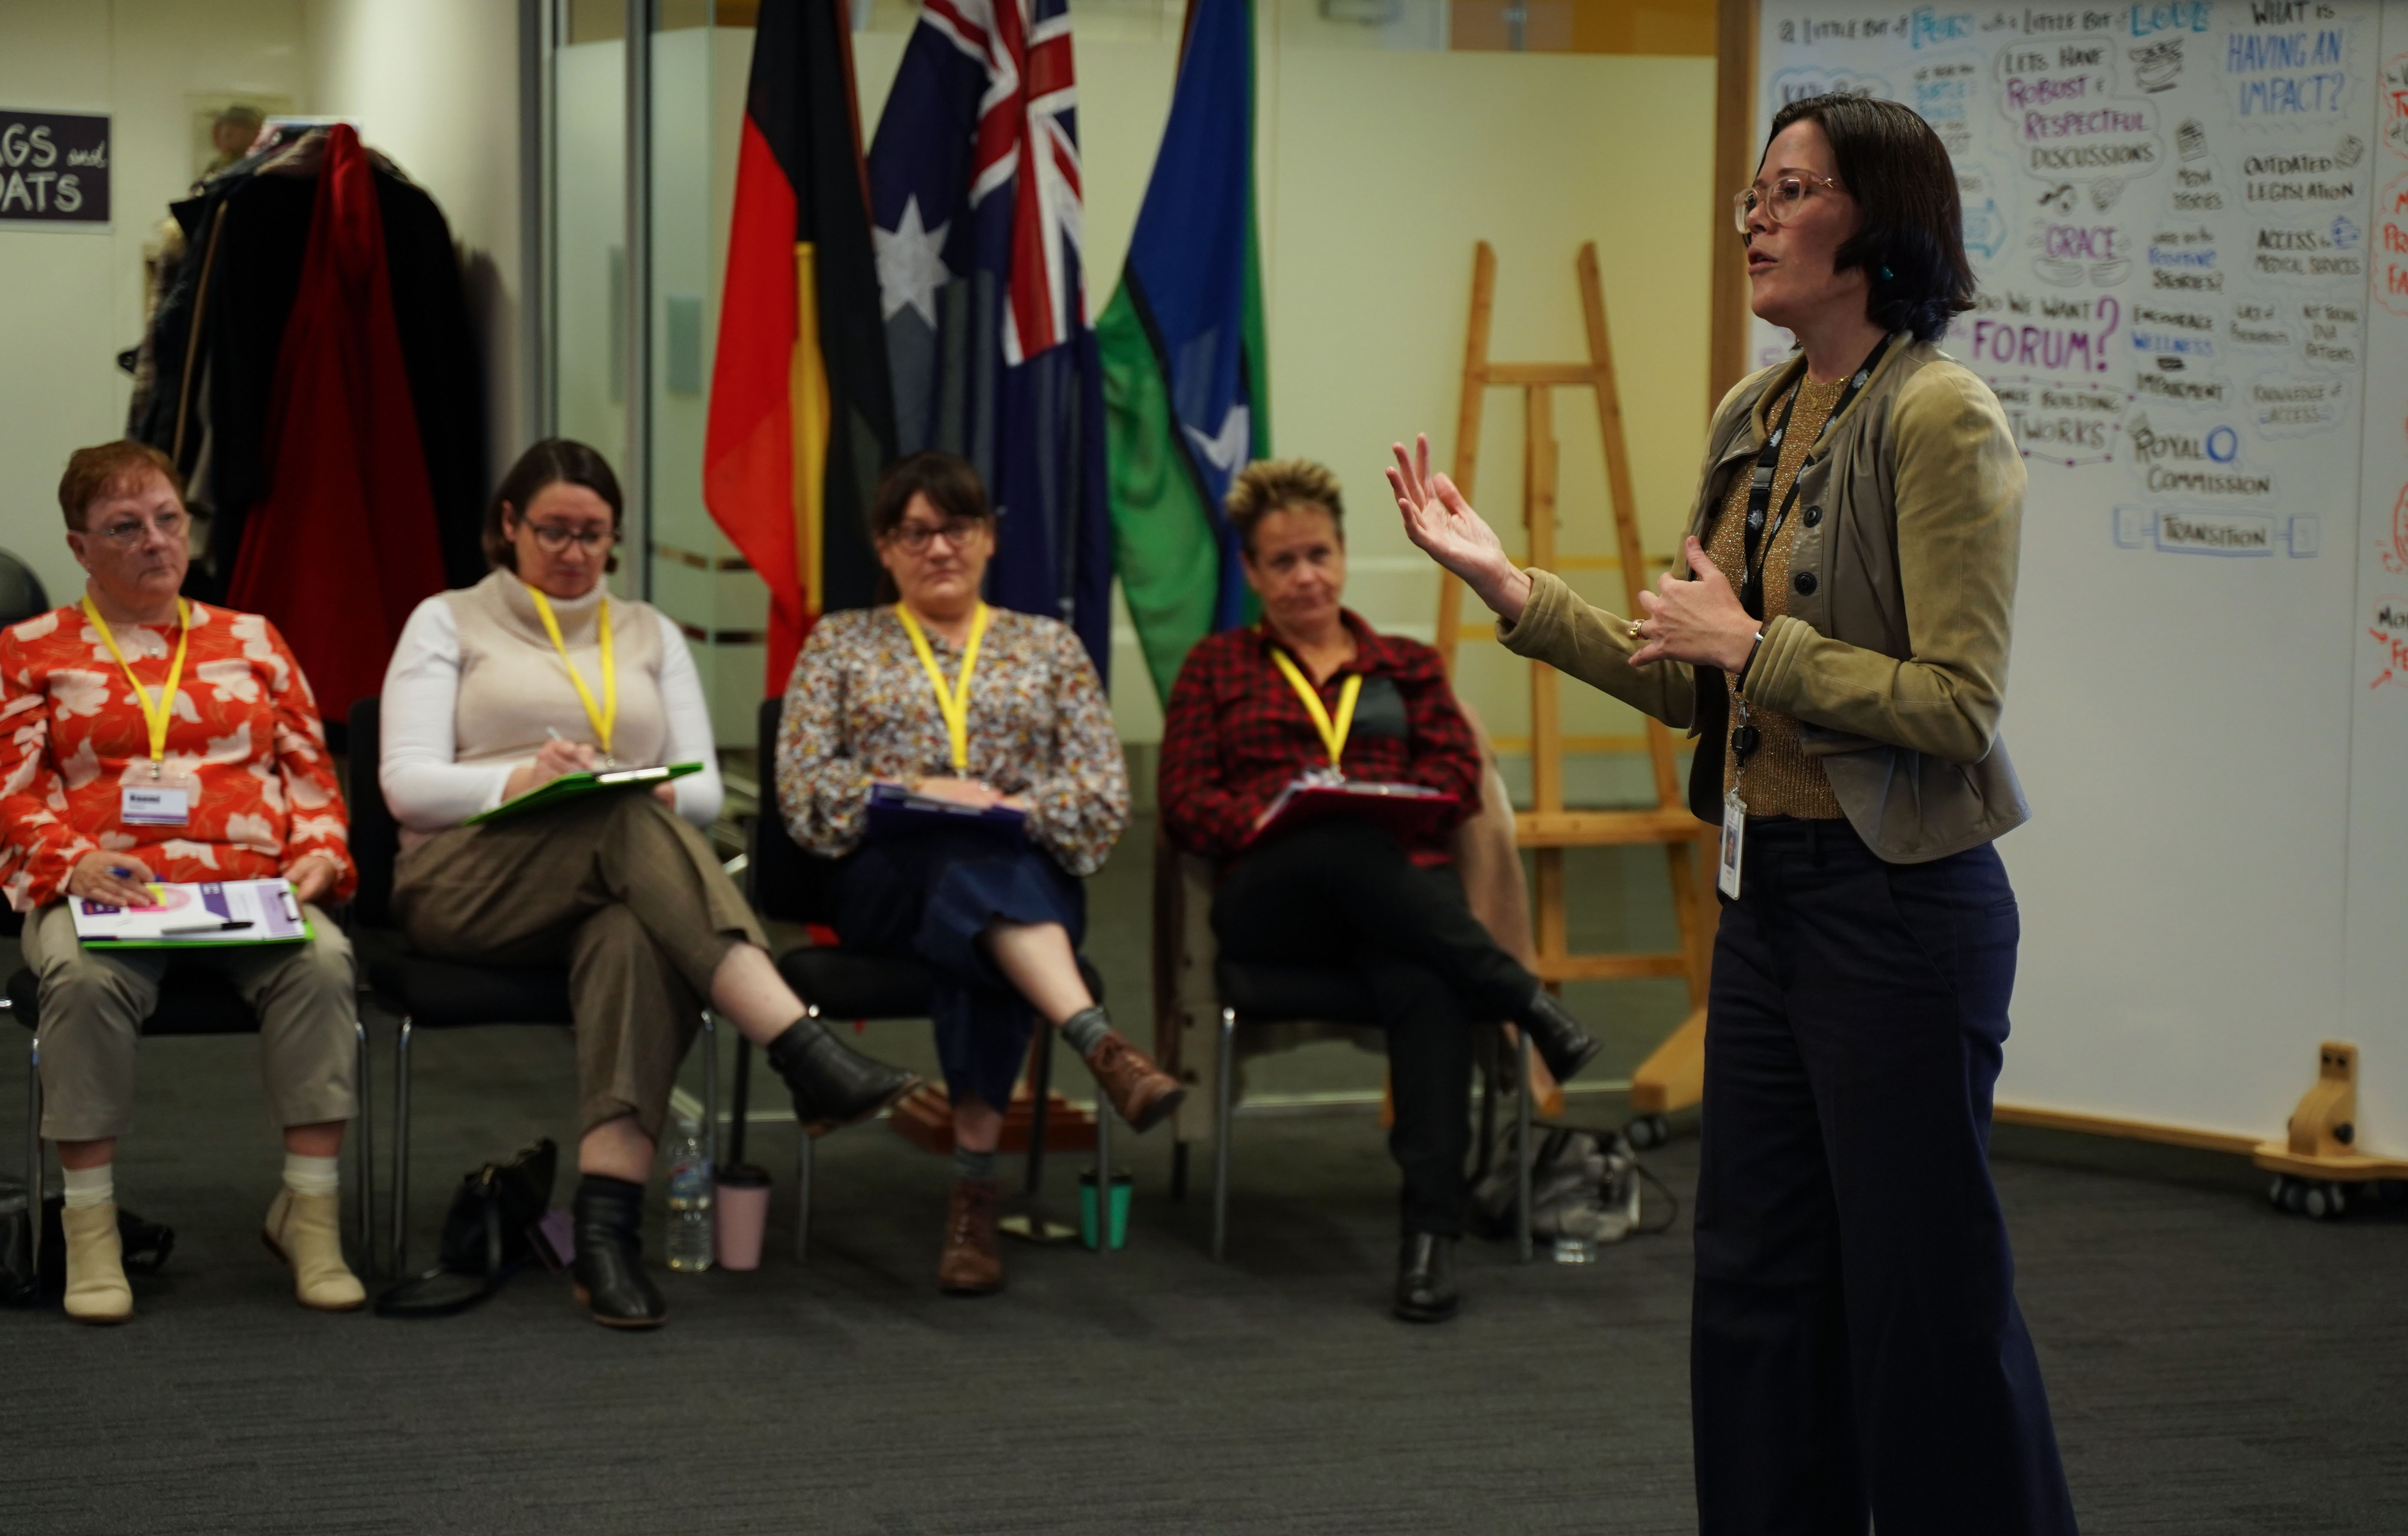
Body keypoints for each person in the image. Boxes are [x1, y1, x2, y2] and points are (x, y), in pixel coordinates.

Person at [1388, 95, 2076, 1533]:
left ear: (1873, 224)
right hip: (1767, 907)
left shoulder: (1941, 416)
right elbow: (1693, 681)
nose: (1752, 216)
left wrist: (1749, 646)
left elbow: (1957, 706)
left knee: (1923, 1302)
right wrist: (1511, 589)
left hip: (1900, 910)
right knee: (1755, 1294)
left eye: (1790, 190)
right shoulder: (1752, 413)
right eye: (1753, 192)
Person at [379, 438, 918, 1330]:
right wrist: (524, 781)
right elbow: (406, 785)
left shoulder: (648, 631)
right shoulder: (447, 620)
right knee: (626, 827)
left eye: (594, 533)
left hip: (607, 871)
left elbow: (703, 791)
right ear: (508, 525)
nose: (574, 550)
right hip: (465, 879)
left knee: (635, 927)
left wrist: (640, 780)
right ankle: (798, 1046)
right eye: (552, 528)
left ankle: (607, 1238)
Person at [1156, 457, 1601, 1325]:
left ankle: (1428, 1237)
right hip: (1270, 907)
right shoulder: (1214, 669)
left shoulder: (1406, 664)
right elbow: (1183, 801)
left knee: (1425, 978)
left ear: (1343, 554)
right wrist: (1281, 810)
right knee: (1333, 831)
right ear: (1250, 572)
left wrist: (1382, 802)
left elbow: (1452, 777)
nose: (1304, 576)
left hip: (1398, 914)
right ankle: (1521, 998)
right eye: (1280, 562)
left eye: (1317, 554)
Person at [777, 451, 1178, 1296]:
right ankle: (1096, 1045)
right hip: (883, 879)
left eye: (957, 526)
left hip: (1021, 869)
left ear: (989, 537)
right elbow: (804, 790)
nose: (938, 547)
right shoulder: (840, 642)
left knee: (979, 912)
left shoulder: (1049, 647)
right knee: (964, 872)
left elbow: (1103, 793)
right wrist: (918, 790)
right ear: (884, 547)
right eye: (914, 532)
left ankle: (973, 1193)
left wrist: (1011, 805)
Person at [0, 441, 365, 1323]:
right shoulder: (29, 649)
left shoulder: (252, 639)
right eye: (125, 527)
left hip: (247, 892)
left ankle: (308, 1213)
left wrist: (318, 852)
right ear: (80, 548)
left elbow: (313, 778)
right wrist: (73, 860)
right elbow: (13, 788)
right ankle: (88, 1228)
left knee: (323, 964)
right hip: (102, 891)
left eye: (169, 519)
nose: (156, 542)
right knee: (82, 983)